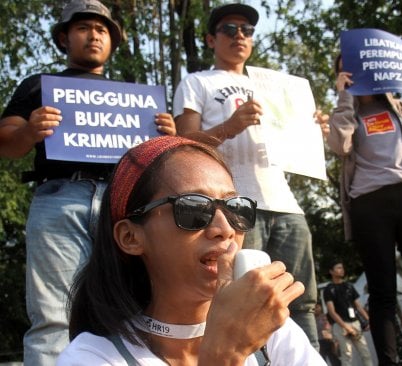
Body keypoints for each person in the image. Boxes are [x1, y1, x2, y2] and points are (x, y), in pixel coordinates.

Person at [0, 1, 176, 363]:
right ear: (64, 38)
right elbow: (7, 141)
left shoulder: (134, 97)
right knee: (54, 317)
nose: (93, 34)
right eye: (83, 28)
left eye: (102, 29)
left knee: (134, 308)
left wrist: (166, 138)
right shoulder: (38, 86)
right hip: (60, 197)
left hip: (124, 205)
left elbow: (159, 163)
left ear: (111, 40)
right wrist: (31, 130)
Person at [56, 135, 325, 365]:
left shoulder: (272, 332)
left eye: (236, 208)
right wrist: (225, 354)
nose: (225, 228)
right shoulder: (91, 356)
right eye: (194, 208)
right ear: (130, 237)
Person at [172, 3, 318, 348]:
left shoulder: (273, 86)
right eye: (229, 29)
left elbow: (297, 139)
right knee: (242, 294)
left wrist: (314, 132)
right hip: (233, 205)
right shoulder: (196, 82)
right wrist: (229, 127)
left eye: (247, 30)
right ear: (210, 39)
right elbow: (183, 142)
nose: (240, 35)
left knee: (302, 299)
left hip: (284, 201)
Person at [327, 54, 402, 365]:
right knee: (382, 294)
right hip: (368, 204)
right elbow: (340, 145)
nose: (353, 73)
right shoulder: (346, 111)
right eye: (344, 70)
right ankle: (389, 362)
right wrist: (344, 96)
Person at [323, 262, 374, 366]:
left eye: (342, 267)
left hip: (354, 323)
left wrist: (368, 319)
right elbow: (331, 312)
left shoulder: (349, 286)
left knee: (366, 353)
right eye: (338, 268)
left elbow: (358, 306)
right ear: (331, 271)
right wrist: (345, 326)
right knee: (347, 355)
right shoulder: (329, 289)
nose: (342, 269)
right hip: (340, 325)